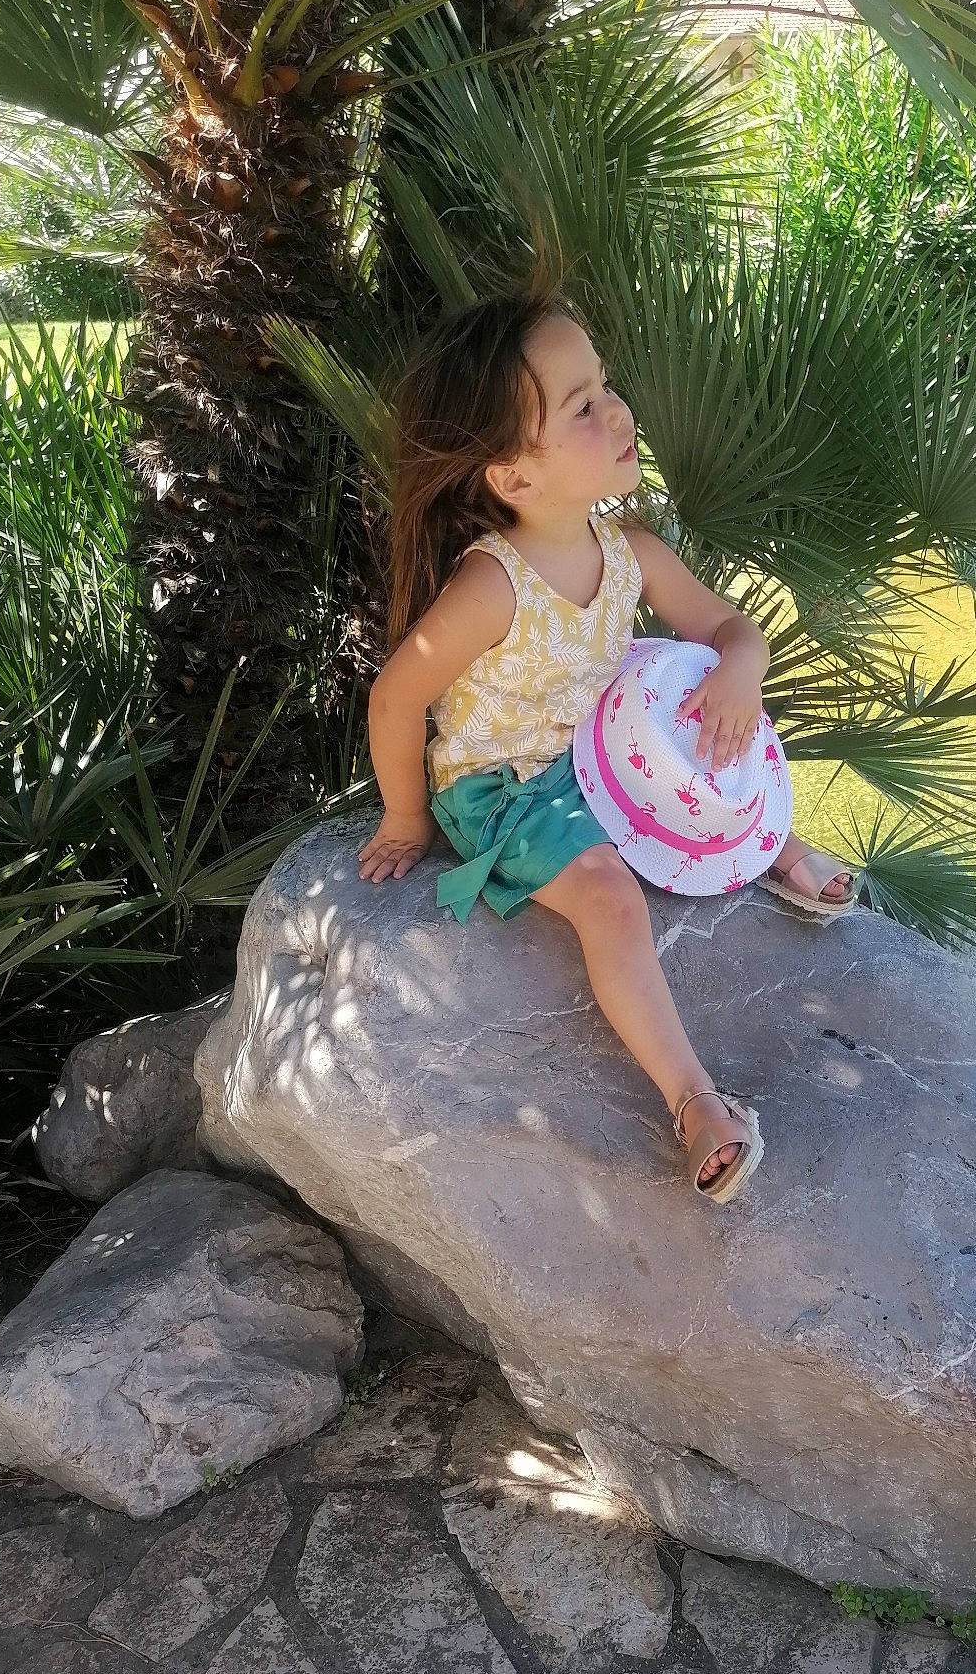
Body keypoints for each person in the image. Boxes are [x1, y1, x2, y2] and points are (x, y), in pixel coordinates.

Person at [357, 283, 858, 1204]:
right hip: (508, 784)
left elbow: (728, 630)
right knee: (611, 899)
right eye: (583, 406)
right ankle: (695, 1100)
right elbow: (397, 699)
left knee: (699, 734)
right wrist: (405, 816)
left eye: (606, 385)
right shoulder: (493, 585)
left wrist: (740, 669)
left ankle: (761, 839)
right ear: (512, 478)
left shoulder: (630, 551)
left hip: (599, 752)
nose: (618, 409)